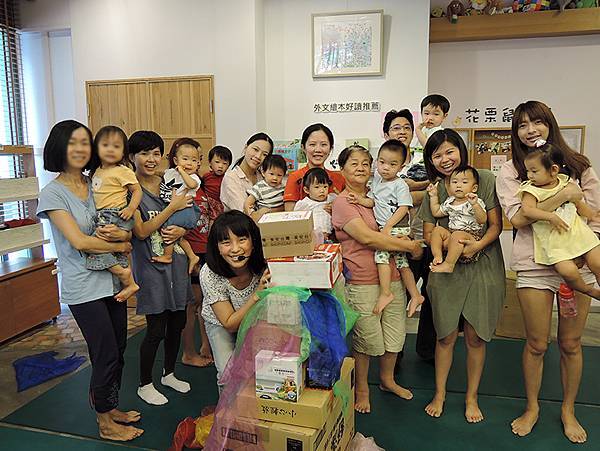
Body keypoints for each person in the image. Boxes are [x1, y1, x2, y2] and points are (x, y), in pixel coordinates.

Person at [496, 100, 600, 444]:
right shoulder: (512, 171)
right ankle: (532, 407)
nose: (530, 130)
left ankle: (568, 409)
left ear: (549, 124)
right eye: (522, 124)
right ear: (516, 131)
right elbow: (517, 218)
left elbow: (593, 214)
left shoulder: (579, 165)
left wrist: (586, 251)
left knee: (571, 343)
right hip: (535, 264)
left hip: (577, 261)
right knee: (537, 343)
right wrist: (564, 196)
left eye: (537, 122)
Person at [37, 120, 142, 441]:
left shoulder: (96, 181)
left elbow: (120, 220)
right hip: (83, 286)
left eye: (85, 142)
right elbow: (80, 242)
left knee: (118, 350)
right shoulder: (52, 193)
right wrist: (121, 245)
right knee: (105, 352)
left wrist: (123, 237)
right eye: (73, 143)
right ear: (59, 148)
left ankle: (110, 408)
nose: (81, 149)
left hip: (110, 283)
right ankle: (105, 423)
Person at [419, 129, 505, 423]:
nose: (444, 160)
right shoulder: (435, 190)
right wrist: (454, 243)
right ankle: (440, 393)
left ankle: (471, 397)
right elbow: (429, 231)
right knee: (444, 336)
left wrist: (476, 245)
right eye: (437, 155)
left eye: (449, 151)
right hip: (446, 268)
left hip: (483, 265)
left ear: (461, 149)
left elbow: (495, 224)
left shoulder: (484, 179)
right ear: (430, 160)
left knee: (475, 338)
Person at [331, 144, 424, 414]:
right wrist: (409, 246)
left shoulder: (380, 193)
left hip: (393, 274)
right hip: (362, 280)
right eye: (353, 163)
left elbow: (404, 209)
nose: (360, 168)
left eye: (364, 163)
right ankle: (362, 388)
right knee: (367, 339)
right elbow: (368, 237)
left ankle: (387, 380)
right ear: (343, 169)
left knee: (395, 334)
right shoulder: (342, 203)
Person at [128, 131, 195, 406]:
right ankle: (145, 383)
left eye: (156, 153)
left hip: (177, 265)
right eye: (144, 153)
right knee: (155, 329)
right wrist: (172, 210)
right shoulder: (130, 191)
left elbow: (187, 216)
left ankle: (169, 373)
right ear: (132, 157)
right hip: (151, 269)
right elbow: (141, 231)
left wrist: (181, 226)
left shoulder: (170, 183)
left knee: (177, 323)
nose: (151, 159)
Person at [383, 109, 434, 362]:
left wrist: (412, 190)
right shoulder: (381, 166)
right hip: (399, 242)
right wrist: (415, 191)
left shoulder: (422, 161)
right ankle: (395, 352)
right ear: (386, 134)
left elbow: (439, 191)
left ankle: (428, 351)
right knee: (397, 298)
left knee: (433, 298)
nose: (402, 131)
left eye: (406, 127)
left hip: (429, 239)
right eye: (396, 127)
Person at [517, 142, 600, 298]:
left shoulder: (564, 182)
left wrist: (592, 215)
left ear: (554, 170)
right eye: (528, 171)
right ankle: (589, 291)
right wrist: (550, 216)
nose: (529, 175)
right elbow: (527, 211)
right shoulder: (530, 189)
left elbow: (577, 203)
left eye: (534, 171)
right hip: (554, 242)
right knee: (568, 272)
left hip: (579, 234)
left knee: (597, 263)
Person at [350, 139, 424, 316]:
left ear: (401, 166)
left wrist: (388, 227)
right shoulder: (377, 181)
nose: (385, 168)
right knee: (401, 262)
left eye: (392, 164)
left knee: (381, 255)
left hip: (397, 226)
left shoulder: (400, 185)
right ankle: (415, 294)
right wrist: (360, 200)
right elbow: (375, 202)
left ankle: (385, 293)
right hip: (388, 226)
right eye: (381, 162)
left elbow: (404, 207)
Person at [200, 211, 270, 392]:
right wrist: (257, 294)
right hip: (220, 324)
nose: (235, 249)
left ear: (253, 242)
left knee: (262, 370)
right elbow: (229, 324)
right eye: (226, 242)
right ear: (216, 247)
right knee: (227, 373)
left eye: (242, 240)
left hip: (255, 318)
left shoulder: (265, 264)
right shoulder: (210, 273)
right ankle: (227, 417)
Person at [87, 125, 141, 301]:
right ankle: (129, 283)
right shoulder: (96, 171)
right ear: (96, 148)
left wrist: (131, 208)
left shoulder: (123, 170)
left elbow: (137, 190)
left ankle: (122, 274)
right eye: (105, 145)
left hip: (115, 214)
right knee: (116, 252)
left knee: (94, 246)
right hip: (102, 214)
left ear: (123, 151)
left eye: (116, 146)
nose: (111, 150)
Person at [152, 138, 202, 272]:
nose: (189, 163)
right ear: (176, 161)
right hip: (176, 208)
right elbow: (164, 174)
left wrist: (182, 172)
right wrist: (155, 172)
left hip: (186, 209)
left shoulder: (193, 177)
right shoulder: (172, 173)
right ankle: (192, 256)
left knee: (169, 228)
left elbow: (192, 185)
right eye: (185, 159)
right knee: (179, 237)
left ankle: (167, 256)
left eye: (193, 160)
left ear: (198, 164)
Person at [428, 166, 488, 273]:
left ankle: (449, 265)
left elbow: (482, 219)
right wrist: (433, 196)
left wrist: (475, 205)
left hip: (471, 237)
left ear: (474, 188)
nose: (458, 185)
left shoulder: (474, 201)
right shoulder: (449, 201)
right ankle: (438, 256)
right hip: (452, 237)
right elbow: (436, 212)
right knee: (437, 230)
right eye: (454, 182)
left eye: (464, 182)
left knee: (457, 235)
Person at [283, 123, 345, 211]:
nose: (318, 150)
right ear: (303, 147)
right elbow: (290, 215)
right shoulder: (295, 177)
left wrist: (338, 209)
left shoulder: (339, 178)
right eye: (312, 144)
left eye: (323, 145)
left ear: (331, 148)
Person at [220, 133, 273, 212]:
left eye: (264, 154)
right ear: (245, 148)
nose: (258, 156)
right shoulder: (231, 178)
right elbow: (245, 212)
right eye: (255, 149)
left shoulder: (263, 177)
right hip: (240, 223)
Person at [293, 167, 337, 241]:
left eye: (325, 186)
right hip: (311, 238)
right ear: (306, 190)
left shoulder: (332, 198)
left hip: (330, 237)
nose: (322, 190)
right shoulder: (304, 204)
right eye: (317, 187)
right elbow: (296, 221)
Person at [244, 154, 287, 222]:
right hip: (263, 219)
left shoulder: (284, 187)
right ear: (263, 173)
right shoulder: (259, 187)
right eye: (271, 174)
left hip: (280, 218)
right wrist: (252, 215)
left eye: (279, 175)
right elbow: (248, 203)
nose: (275, 178)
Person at [202, 145, 233, 219]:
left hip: (221, 207)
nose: (220, 166)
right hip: (207, 205)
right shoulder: (206, 176)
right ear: (210, 163)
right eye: (217, 162)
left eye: (224, 163)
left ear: (228, 166)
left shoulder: (228, 178)